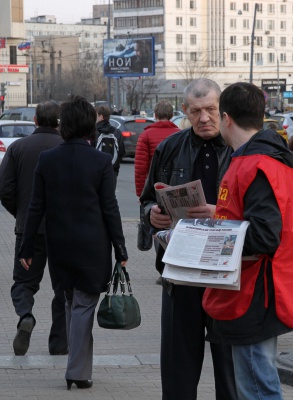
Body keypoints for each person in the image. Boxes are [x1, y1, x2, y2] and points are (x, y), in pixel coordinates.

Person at [202, 81, 293, 400]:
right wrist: (219, 213)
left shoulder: (254, 164)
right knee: (258, 378)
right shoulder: (276, 159)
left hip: (254, 292)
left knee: (256, 384)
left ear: (226, 119)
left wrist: (210, 236)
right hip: (271, 285)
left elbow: (264, 234)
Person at [18, 95, 128, 391]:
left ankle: (80, 366)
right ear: (89, 125)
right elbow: (110, 208)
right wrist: (120, 248)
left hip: (59, 245)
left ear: (64, 125)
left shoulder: (47, 159)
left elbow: (35, 207)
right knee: (83, 305)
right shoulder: (100, 161)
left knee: (71, 302)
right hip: (92, 246)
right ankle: (77, 371)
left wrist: (26, 247)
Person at [139, 78, 238, 400]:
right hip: (180, 271)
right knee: (178, 363)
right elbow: (146, 199)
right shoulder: (170, 148)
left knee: (230, 366)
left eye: (210, 109)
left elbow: (256, 211)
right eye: (196, 111)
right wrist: (152, 214)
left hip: (226, 271)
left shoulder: (239, 149)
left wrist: (219, 213)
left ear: (222, 108)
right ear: (185, 111)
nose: (204, 118)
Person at [0, 100, 69, 356]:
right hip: (63, 230)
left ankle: (25, 314)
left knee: (23, 282)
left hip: (28, 229)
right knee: (63, 288)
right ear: (59, 122)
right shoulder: (67, 147)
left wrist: (20, 212)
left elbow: (3, 187)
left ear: (35, 120)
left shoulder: (18, 147)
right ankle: (59, 343)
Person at [134, 100, 180, 285]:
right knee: (175, 226)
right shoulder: (180, 134)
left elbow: (140, 168)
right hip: (177, 188)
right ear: (172, 115)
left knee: (158, 227)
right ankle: (174, 264)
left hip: (155, 190)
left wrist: (141, 194)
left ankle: (163, 268)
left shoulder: (146, 135)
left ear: (154, 115)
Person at [95, 104, 126, 190]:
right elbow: (122, 152)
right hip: (112, 172)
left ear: (101, 116)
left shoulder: (93, 132)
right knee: (110, 196)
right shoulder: (116, 132)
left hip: (95, 172)